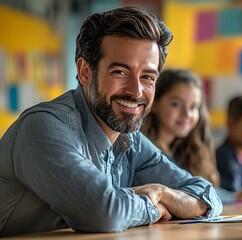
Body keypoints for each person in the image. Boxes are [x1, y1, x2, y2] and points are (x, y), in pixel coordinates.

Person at [0, 7, 221, 237]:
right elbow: (103, 214)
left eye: (147, 77)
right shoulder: (43, 128)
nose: (136, 92)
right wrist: (149, 204)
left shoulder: (129, 139)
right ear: (85, 72)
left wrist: (162, 193)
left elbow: (205, 194)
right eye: (120, 72)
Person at [141, 69, 242, 202]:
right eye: (175, 104)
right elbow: (185, 192)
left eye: (194, 107)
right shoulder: (145, 151)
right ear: (155, 103)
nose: (187, 114)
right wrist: (236, 196)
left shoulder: (182, 151)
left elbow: (201, 189)